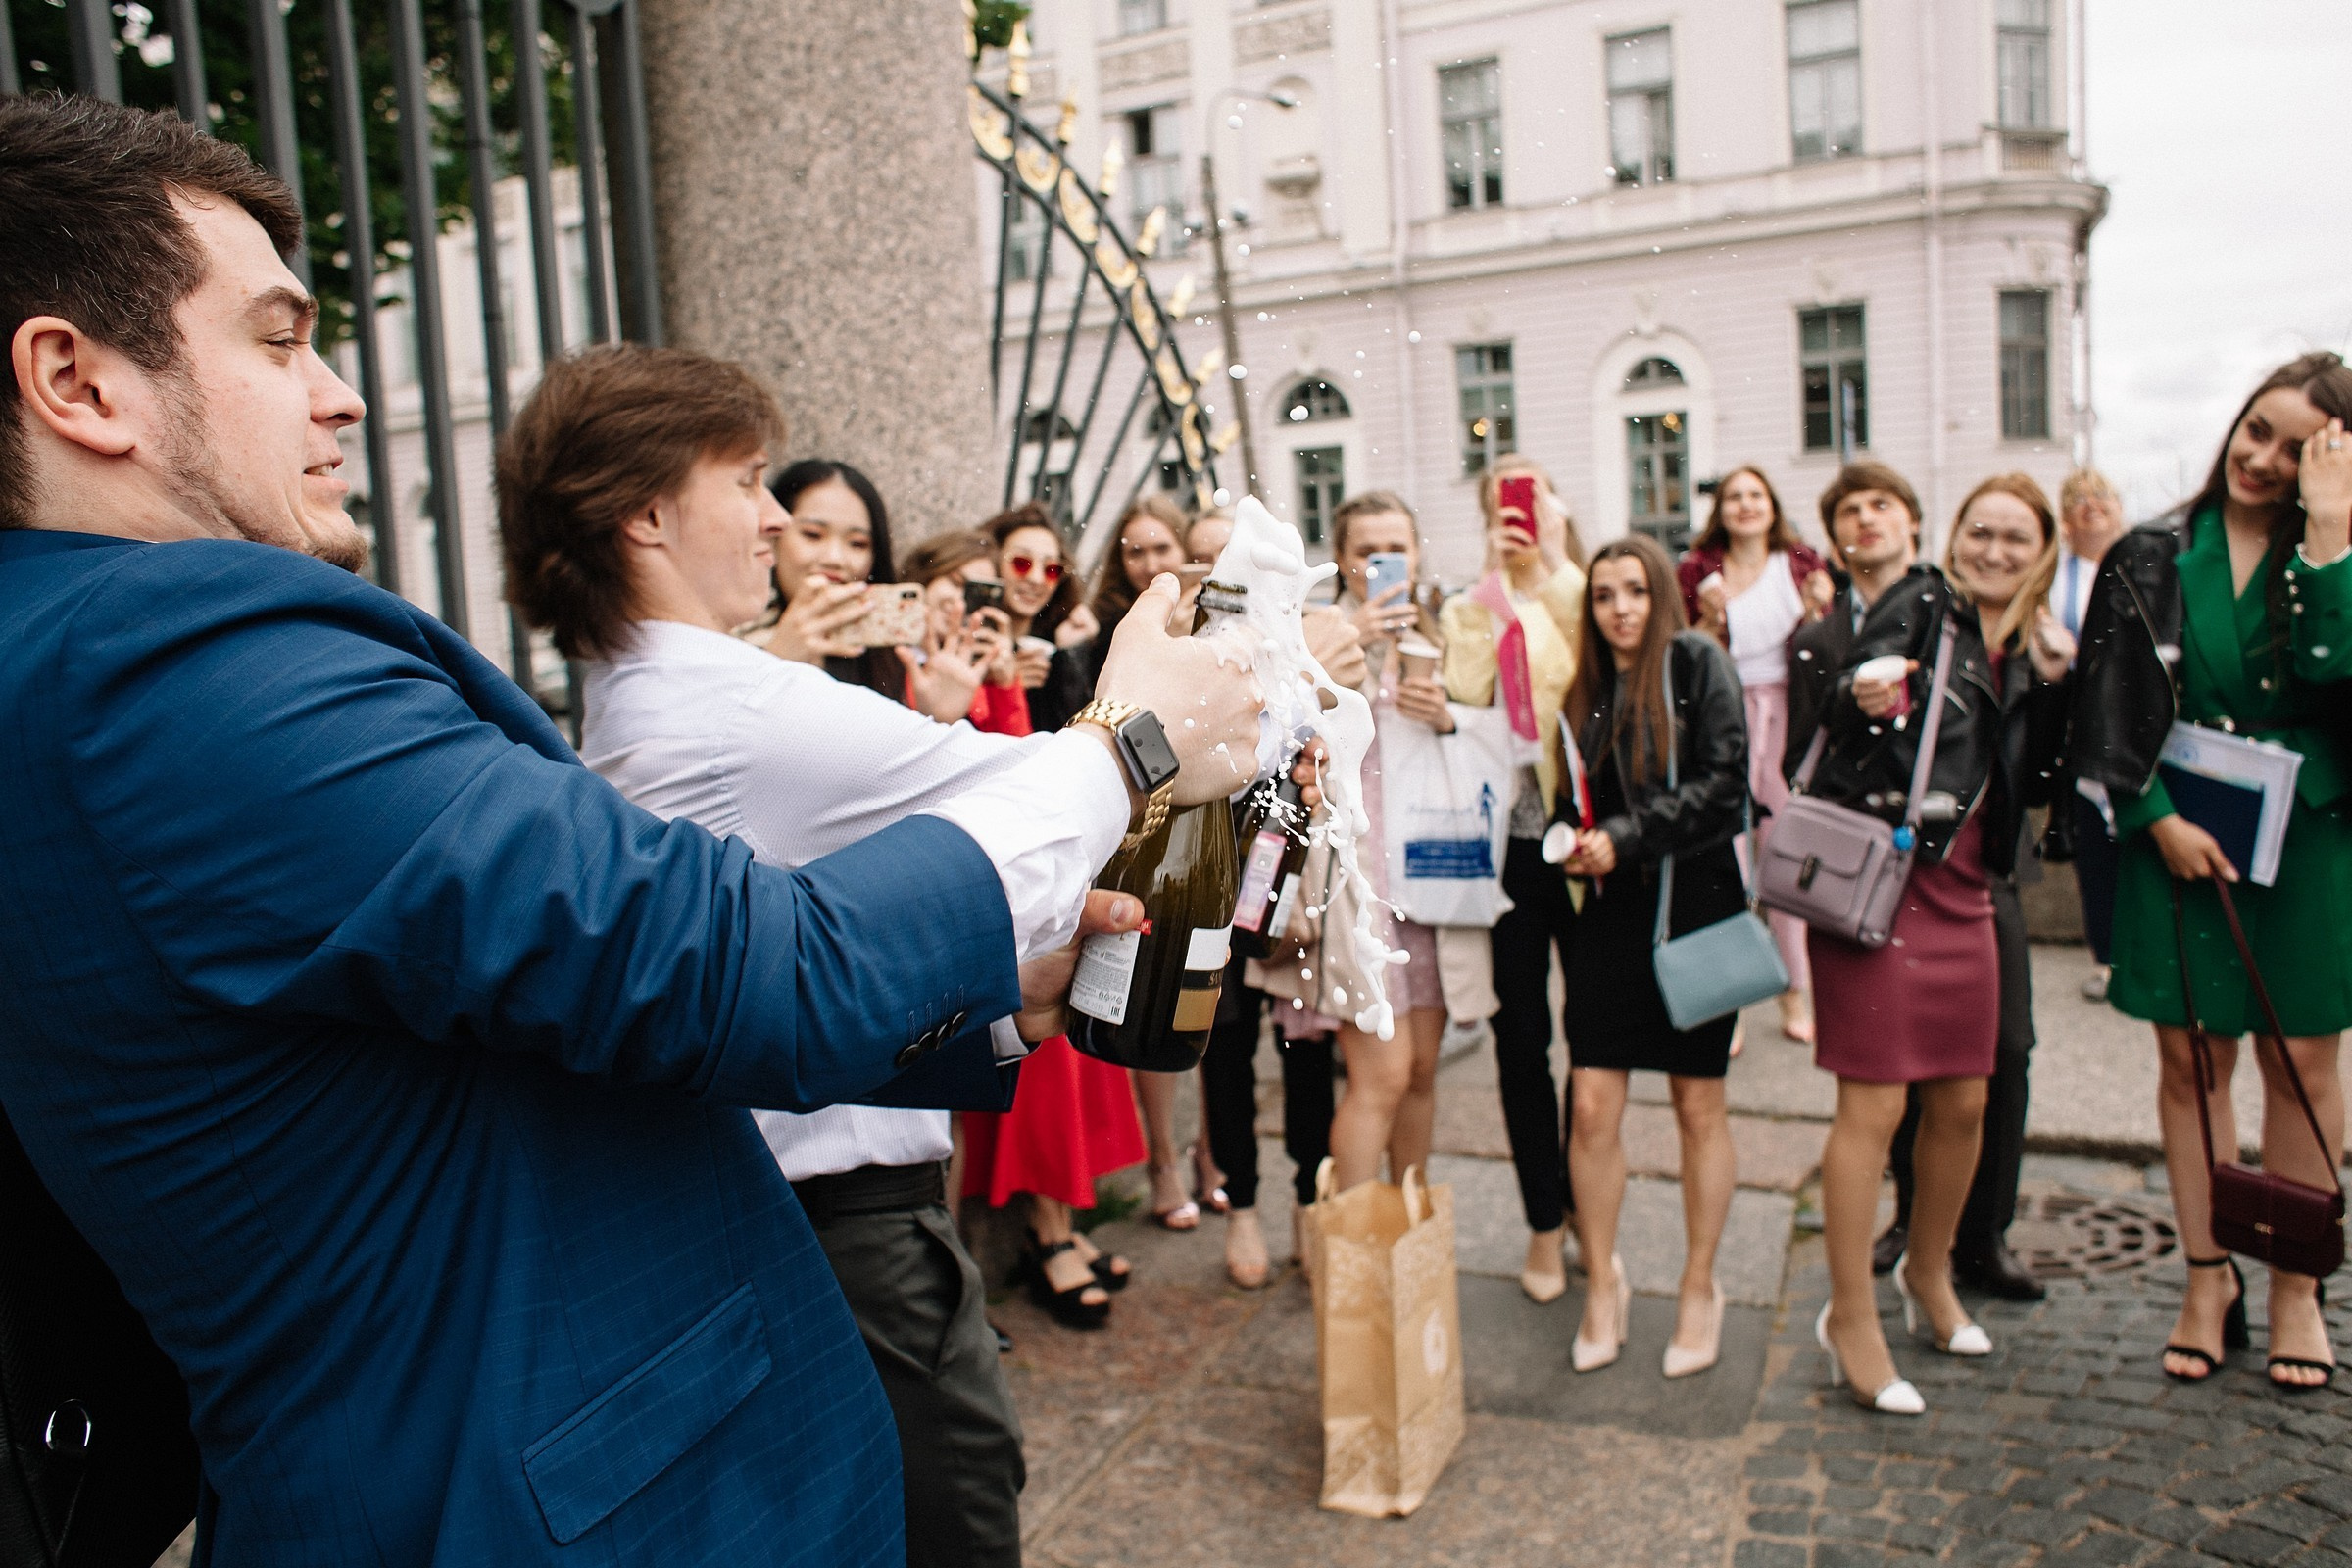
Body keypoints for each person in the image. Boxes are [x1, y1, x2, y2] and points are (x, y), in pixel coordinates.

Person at [0, 96, 1263, 1563]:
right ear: (78, 382)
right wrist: (1130, 743)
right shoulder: (170, 659)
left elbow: (538, 1004)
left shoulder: (79, 662)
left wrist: (990, 997)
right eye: (279, 341)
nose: (340, 395)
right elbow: (747, 963)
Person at [510, 347, 1123, 1568]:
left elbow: (808, 952)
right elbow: (1044, 792)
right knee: (953, 1516)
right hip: (849, 1227)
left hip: (782, 1205)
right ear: (645, 513)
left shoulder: (637, 694)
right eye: (746, 480)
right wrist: (1166, 697)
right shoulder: (736, 701)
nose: (776, 517)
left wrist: (1000, 1009)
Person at [2070, 352, 2352, 1391]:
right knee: (2191, 1061)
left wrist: (2331, 537)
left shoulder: (2336, 553)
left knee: (2302, 1064)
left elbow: (2337, 676)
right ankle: (2206, 1276)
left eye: (2297, 447)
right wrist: (2154, 818)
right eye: (2256, 429)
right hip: (2176, 831)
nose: (2263, 458)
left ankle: (2295, 1286)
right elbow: (2103, 698)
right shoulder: (2151, 553)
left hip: (2308, 840)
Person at [1798, 461, 2008, 1418]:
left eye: (1881, 503)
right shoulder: (1820, 635)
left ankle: (1929, 1272)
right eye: (1849, 509)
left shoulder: (1965, 613)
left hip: (1958, 876)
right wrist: (1852, 703)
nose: (1866, 518)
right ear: (1837, 537)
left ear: (1915, 522)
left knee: (1964, 1096)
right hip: (1869, 881)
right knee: (1873, 1106)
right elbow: (1801, 750)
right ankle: (1850, 1314)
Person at [1876, 477, 2076, 1303]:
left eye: (2015, 538)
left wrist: (2056, 687)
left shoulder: (2041, 651)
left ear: (2043, 553)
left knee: (2005, 1051)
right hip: (1905, 871)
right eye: (1980, 532)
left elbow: (2043, 784)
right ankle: (1912, 1218)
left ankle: (1982, 1237)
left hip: (1988, 874)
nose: (1994, 552)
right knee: (1908, 1057)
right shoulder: (1927, 623)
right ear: (1955, 536)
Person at [1552, 536, 1748, 1378]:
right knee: (1593, 1106)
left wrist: (1627, 837)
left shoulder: (1695, 662)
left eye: (1634, 590)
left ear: (1660, 592)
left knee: (1698, 1105)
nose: (1620, 608)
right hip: (1607, 918)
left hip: (1693, 904)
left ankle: (1700, 1286)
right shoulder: (1586, 689)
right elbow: (1570, 797)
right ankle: (1603, 1282)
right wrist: (1569, 841)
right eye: (1604, 595)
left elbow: (1727, 784)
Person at [1189, 507, 1363, 1287]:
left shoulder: (1299, 637)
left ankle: (1305, 1198)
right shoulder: (1177, 653)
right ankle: (1244, 1206)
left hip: (1286, 873)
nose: (1216, 572)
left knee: (1303, 1052)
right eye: (1202, 558)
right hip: (1206, 884)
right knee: (1225, 1052)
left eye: (1228, 556)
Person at [1440, 457, 1588, 1302]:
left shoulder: (1585, 592)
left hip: (1587, 840)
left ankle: (1588, 1204)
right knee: (1522, 1041)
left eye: (1532, 496)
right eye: (1504, 501)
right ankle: (1543, 1219)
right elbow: (1464, 698)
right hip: (1510, 851)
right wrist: (1497, 591)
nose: (1520, 514)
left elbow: (1590, 673)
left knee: (1594, 1049)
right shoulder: (1469, 605)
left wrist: (1554, 564)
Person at [1317, 491, 1473, 1192]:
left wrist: (1448, 719)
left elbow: (1488, 744)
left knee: (1420, 1073)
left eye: (1398, 550)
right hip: (1356, 873)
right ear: (1342, 560)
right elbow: (1287, 727)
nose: (1384, 564)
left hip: (1425, 868)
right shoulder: (1322, 633)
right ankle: (1353, 1245)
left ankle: (1409, 1231)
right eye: (1367, 551)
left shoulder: (1440, 634)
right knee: (1379, 1076)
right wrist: (1351, 641)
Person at [1085, 495, 1220, 1229]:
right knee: (1146, 992)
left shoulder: (1218, 630)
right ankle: (1163, 1160)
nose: (1147, 563)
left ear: (1185, 555)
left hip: (1211, 821)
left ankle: (1212, 1156)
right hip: (1136, 829)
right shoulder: (1104, 635)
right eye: (1133, 551)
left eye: (1160, 548)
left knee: (1208, 1001)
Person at [1678, 466, 1835, 1043]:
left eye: (1756, 495)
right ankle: (1733, 999)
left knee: (1786, 856)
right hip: (1723, 718)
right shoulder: (1698, 570)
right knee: (1727, 860)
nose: (1746, 505)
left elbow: (1826, 645)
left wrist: (1820, 610)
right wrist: (1707, 617)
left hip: (1788, 720)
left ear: (1772, 505)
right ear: (1720, 509)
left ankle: (1795, 992)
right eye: (1734, 497)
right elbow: (1684, 651)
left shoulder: (1802, 564)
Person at [2052, 467, 2130, 1001]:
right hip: (2080, 726)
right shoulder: (2057, 579)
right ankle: (2107, 959)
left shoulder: (2144, 567)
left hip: (2135, 723)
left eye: (2101, 496)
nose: (2092, 505)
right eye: (2078, 499)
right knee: (2094, 845)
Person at [757, 458, 905, 702]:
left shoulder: (896, 659)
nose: (835, 558)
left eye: (857, 543)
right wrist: (777, 661)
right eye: (813, 535)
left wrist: (937, 712)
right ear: (774, 534)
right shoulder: (728, 640)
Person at [898, 527, 1025, 729]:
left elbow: (1013, 747)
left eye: (976, 594)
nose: (960, 602)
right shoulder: (877, 644)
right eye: (955, 582)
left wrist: (1005, 687)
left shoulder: (977, 676)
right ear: (927, 576)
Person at [989, 502, 1096, 734]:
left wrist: (1071, 654)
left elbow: (1074, 734)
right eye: (1022, 563)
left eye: (1051, 569)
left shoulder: (1059, 639)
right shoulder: (973, 637)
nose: (1036, 579)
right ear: (994, 563)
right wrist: (1001, 685)